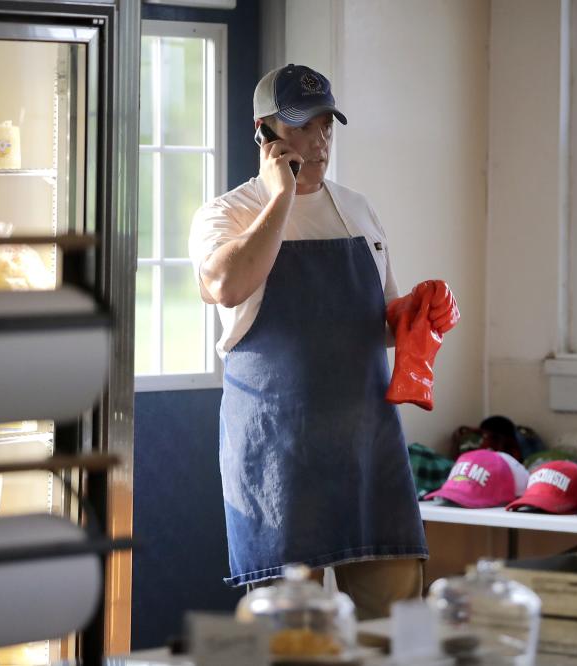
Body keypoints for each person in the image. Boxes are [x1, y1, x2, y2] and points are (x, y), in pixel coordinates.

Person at [188, 64, 459, 619]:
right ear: (264, 133)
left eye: (326, 125)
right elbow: (224, 284)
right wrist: (280, 197)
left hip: (368, 445)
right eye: (301, 126)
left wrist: (419, 313)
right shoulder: (227, 213)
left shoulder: (358, 210)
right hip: (277, 453)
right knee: (290, 629)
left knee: (398, 618)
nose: (318, 141)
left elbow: (380, 321)